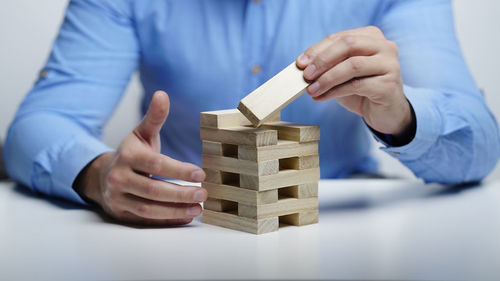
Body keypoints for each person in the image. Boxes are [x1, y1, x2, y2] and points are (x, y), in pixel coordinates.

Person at [4, 0, 500, 225]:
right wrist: (97, 174)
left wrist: (401, 115)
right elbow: (36, 126)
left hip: (338, 229)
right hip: (183, 228)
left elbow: (478, 143)